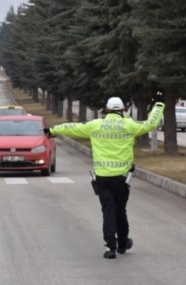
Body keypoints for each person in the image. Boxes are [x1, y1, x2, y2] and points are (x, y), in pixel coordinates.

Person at [44, 97, 165, 259]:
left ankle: (110, 247)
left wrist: (52, 131)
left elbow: (72, 127)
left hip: (102, 178)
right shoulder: (129, 125)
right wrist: (158, 105)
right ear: (122, 110)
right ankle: (122, 243)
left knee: (108, 210)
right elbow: (150, 124)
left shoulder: (95, 125)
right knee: (120, 211)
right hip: (122, 178)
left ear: (107, 110)